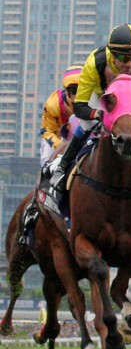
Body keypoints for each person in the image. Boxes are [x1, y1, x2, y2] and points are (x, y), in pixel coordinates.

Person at [44, 24, 131, 212]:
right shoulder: (94, 63)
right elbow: (79, 107)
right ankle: (62, 170)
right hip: (101, 97)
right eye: (122, 57)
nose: (129, 64)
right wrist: (97, 114)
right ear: (111, 54)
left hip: (128, 100)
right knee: (85, 124)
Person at [20, 66, 83, 242]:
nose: (78, 95)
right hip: (56, 139)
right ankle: (33, 209)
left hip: (81, 138)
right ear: (66, 91)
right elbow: (47, 131)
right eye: (73, 90)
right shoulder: (53, 104)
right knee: (48, 169)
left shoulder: (94, 100)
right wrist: (60, 149)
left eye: (82, 89)